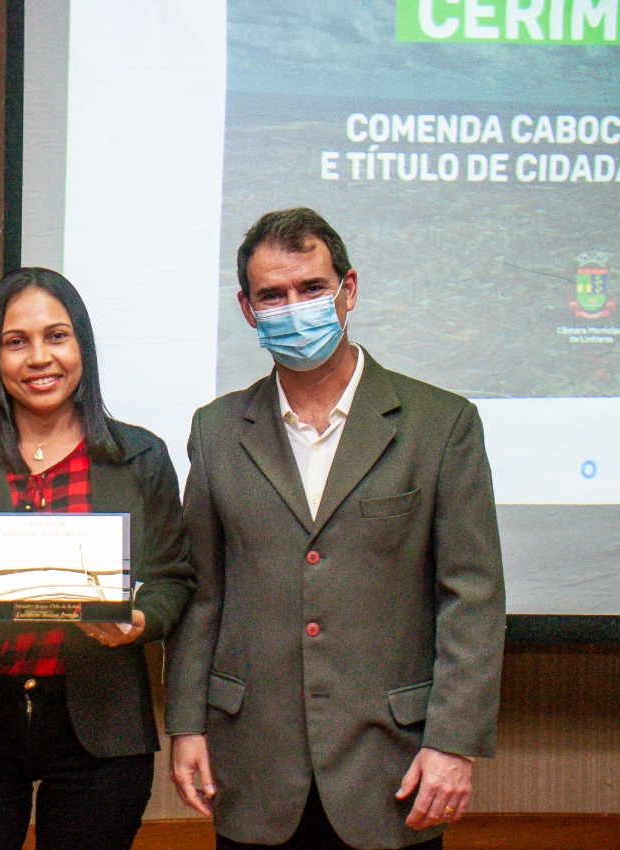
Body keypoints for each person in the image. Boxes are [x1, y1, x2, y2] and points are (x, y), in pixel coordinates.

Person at [165, 208, 506, 850]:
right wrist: (186, 724)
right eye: (273, 295)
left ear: (348, 290)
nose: (294, 308)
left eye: (312, 288)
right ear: (247, 309)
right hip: (252, 762)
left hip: (395, 765)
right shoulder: (215, 431)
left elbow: (472, 596)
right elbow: (201, 593)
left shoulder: (441, 424)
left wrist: (453, 742)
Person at [0, 267, 194, 850]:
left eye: (57, 336)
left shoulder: (139, 456)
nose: (39, 358)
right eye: (16, 341)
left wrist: (141, 619)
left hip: (101, 724)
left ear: (84, 347)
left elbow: (173, 578)